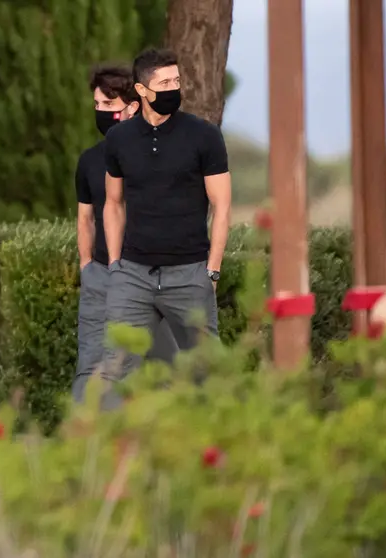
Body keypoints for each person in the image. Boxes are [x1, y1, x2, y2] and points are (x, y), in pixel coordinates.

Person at [101, 49, 232, 409]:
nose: (174, 88)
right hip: (133, 275)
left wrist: (212, 271)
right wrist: (115, 265)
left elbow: (222, 206)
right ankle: (117, 458)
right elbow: (113, 203)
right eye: (164, 83)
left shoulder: (204, 136)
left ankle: (221, 456)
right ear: (142, 90)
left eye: (176, 80)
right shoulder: (119, 139)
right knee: (117, 369)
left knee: (209, 372)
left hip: (190, 273)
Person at [72, 64, 178, 404]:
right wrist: (88, 265)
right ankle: (87, 448)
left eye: (109, 106)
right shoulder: (89, 161)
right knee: (92, 366)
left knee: (166, 369)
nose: (101, 112)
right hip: (102, 276)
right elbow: (85, 218)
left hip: (152, 276)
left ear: (133, 107)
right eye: (98, 106)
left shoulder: (159, 153)